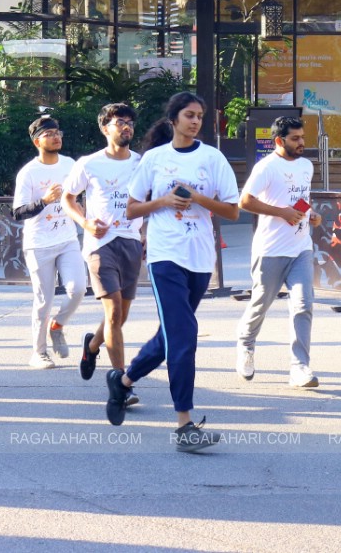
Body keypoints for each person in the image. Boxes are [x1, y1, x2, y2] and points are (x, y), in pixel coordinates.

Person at [109, 91, 239, 453]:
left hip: (199, 258)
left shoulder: (213, 159)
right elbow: (132, 210)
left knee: (169, 336)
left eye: (200, 116)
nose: (196, 121)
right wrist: (164, 201)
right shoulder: (154, 158)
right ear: (173, 120)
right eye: (189, 115)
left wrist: (197, 198)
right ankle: (184, 424)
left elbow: (232, 211)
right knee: (184, 336)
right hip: (165, 255)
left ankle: (124, 380)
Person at [62, 103, 144, 402]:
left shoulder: (141, 163)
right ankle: (121, 384)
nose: (126, 127)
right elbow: (67, 198)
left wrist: (145, 236)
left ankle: (92, 346)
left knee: (121, 317)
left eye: (130, 123)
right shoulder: (89, 163)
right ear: (105, 127)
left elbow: (149, 198)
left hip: (132, 242)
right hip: (101, 244)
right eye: (120, 122)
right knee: (113, 314)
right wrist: (84, 221)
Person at [236, 116, 321, 389]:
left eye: (302, 137)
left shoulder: (306, 166)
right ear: (279, 141)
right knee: (261, 303)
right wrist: (280, 213)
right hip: (270, 250)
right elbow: (245, 201)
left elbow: (299, 199)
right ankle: (246, 344)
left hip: (300, 248)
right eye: (295, 139)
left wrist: (311, 214)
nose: (301, 143)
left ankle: (299, 368)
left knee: (303, 306)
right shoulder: (266, 167)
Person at [13, 116, 87, 369]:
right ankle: (39, 352)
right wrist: (44, 201)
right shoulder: (29, 173)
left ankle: (57, 326)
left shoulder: (70, 165)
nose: (56, 137)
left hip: (67, 239)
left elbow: (79, 195)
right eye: (49, 134)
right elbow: (18, 212)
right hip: (38, 243)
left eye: (58, 132)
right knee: (44, 300)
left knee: (78, 289)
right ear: (37, 141)